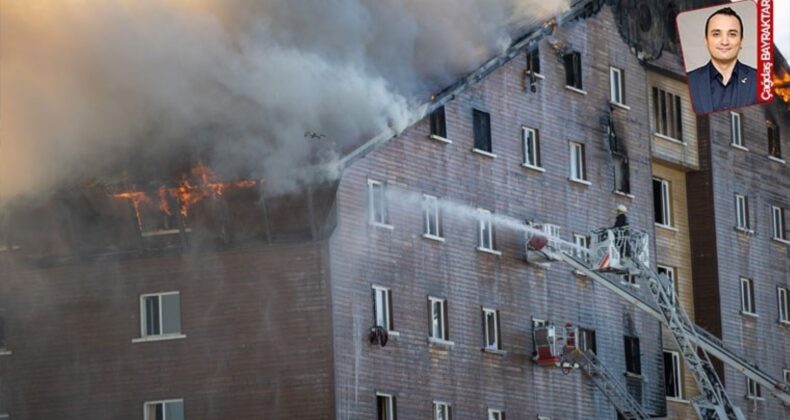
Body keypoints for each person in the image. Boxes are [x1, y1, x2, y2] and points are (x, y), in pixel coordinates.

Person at [687, 7, 757, 114]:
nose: (724, 42)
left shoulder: (759, 81)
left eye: (732, 34)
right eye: (716, 34)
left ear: (741, 41)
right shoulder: (690, 81)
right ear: (706, 40)